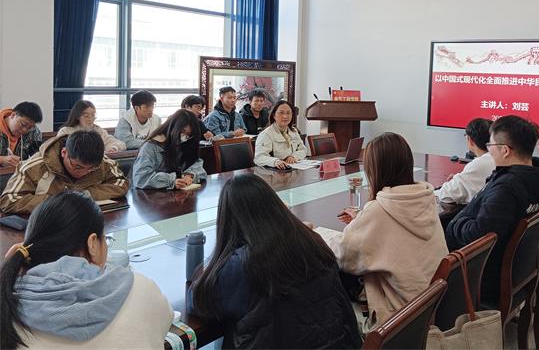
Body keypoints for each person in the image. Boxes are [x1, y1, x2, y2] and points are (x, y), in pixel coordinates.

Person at [190, 173, 362, 349]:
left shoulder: (241, 265)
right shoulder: (312, 240)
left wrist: (207, 272)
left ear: (229, 221)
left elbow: (198, 302)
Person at [0, 191, 173, 349]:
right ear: (92, 244)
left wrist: (10, 268)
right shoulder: (142, 289)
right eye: (105, 239)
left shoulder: (7, 303)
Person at [322, 132, 448, 328]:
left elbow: (343, 256)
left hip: (397, 318)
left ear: (375, 170)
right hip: (429, 305)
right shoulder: (424, 198)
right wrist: (364, 218)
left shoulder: (379, 211)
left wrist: (313, 235)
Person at [445, 115, 539, 303]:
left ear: (505, 150)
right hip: (520, 266)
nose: (489, 151)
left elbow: (479, 235)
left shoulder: (507, 189)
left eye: (490, 146)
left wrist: (456, 222)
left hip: (481, 274)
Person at [0, 131, 129, 214]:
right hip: (45, 226)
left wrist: (88, 193)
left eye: (91, 169)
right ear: (64, 153)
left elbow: (121, 183)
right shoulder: (35, 166)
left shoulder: (102, 162)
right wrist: (58, 201)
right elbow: (8, 200)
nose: (84, 173)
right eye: (78, 167)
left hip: (87, 219)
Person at [131, 109, 207, 190]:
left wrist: (190, 175)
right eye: (182, 132)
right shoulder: (151, 146)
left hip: (177, 193)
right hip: (149, 195)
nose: (184, 137)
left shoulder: (187, 143)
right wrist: (171, 181)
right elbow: (141, 178)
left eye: (188, 134)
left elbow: (196, 162)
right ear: (172, 128)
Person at [436, 118, 495, 204]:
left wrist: (458, 180)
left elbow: (445, 195)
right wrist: (461, 178)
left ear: (470, 140)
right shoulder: (498, 158)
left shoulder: (479, 164)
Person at [57, 100, 126, 153]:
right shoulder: (66, 131)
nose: (90, 119)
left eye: (93, 115)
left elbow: (121, 144)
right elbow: (59, 151)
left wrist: (113, 148)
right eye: (86, 116)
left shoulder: (98, 131)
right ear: (77, 116)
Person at [254, 101, 307, 169]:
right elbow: (259, 158)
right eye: (281, 113)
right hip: (274, 172)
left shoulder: (293, 131)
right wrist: (275, 161)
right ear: (274, 115)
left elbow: (303, 150)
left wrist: (294, 156)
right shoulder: (266, 134)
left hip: (292, 168)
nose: (285, 116)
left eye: (288, 113)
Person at [0, 102, 43, 167]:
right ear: (13, 115)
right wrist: (2, 160)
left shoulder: (33, 132)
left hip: (20, 171)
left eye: (30, 127)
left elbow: (39, 155)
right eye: (23, 124)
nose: (25, 130)